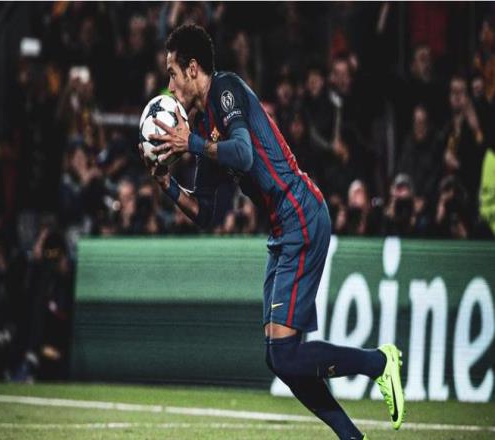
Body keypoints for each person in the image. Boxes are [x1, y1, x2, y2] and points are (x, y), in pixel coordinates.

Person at [138, 24, 405, 440]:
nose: (169, 86)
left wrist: (191, 144)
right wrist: (166, 184)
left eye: (172, 73)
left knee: (283, 354)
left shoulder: (226, 90)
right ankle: (352, 436)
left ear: (192, 69)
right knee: (280, 358)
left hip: (301, 212)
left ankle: (379, 363)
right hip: (283, 229)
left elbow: (244, 154)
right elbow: (205, 213)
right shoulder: (201, 125)